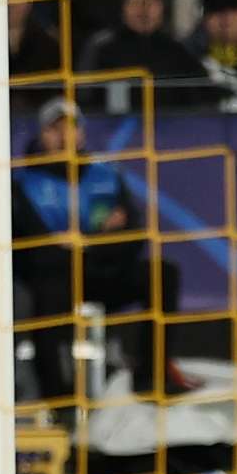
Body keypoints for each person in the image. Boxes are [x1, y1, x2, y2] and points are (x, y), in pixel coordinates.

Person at [13, 99, 188, 400]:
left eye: (72, 127)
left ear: (82, 133)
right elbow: (33, 253)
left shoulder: (105, 176)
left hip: (101, 272)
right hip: (57, 281)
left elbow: (134, 238)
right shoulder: (23, 184)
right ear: (42, 134)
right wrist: (98, 237)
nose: (64, 136)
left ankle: (151, 377)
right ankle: (60, 400)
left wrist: (82, 243)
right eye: (55, 129)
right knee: (47, 294)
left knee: (162, 274)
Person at [78, 0, 217, 108]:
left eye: (152, 1)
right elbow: (84, 98)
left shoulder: (176, 51)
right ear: (122, 8)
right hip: (116, 129)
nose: (144, 9)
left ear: (163, 8)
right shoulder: (102, 48)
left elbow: (201, 98)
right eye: (135, 1)